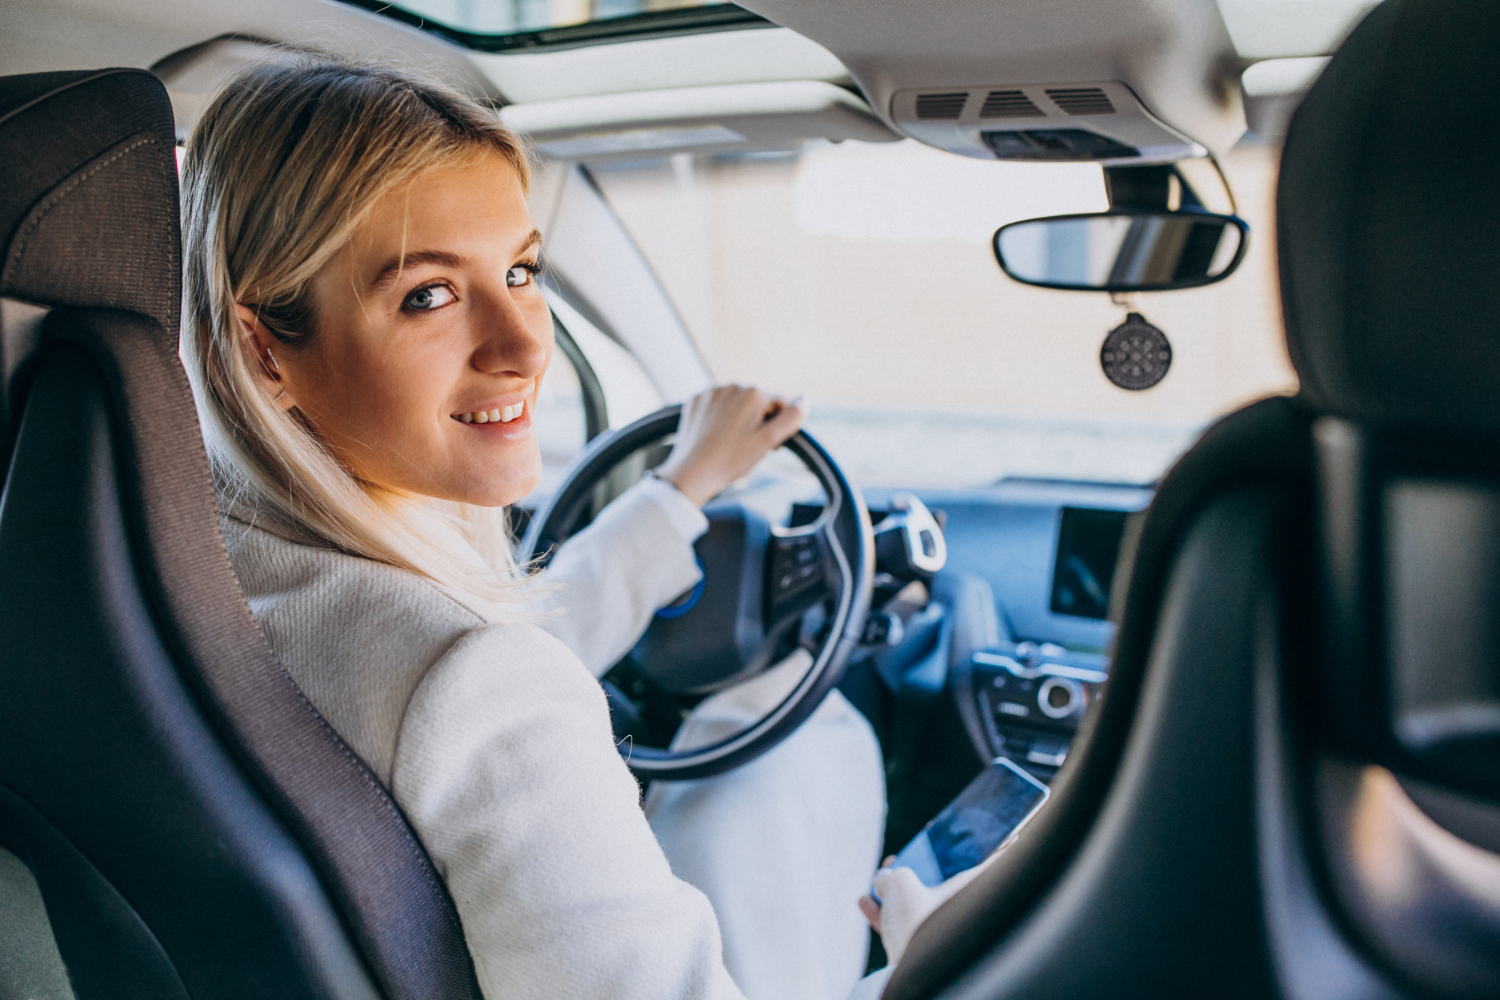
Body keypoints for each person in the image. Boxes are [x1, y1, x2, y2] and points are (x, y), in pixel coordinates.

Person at [180, 56, 915, 1000]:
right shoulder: (471, 684)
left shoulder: (183, 558)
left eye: (523, 270)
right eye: (428, 295)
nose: (527, 345)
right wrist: (932, 962)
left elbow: (478, 670)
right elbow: (477, 685)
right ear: (261, 348)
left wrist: (681, 488)